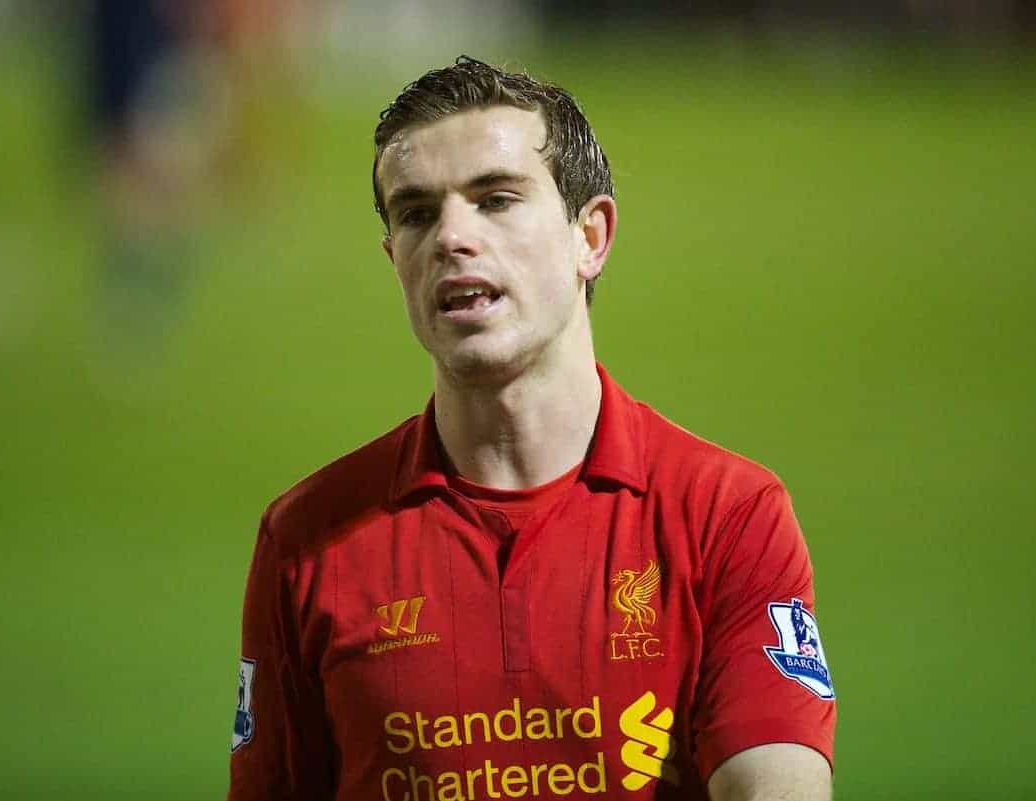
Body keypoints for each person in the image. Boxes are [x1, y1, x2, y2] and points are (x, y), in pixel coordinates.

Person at [227, 56, 836, 801]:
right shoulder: (307, 541)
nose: (452, 236)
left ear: (592, 236)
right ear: (396, 261)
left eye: (495, 199)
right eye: (417, 213)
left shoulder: (726, 516)